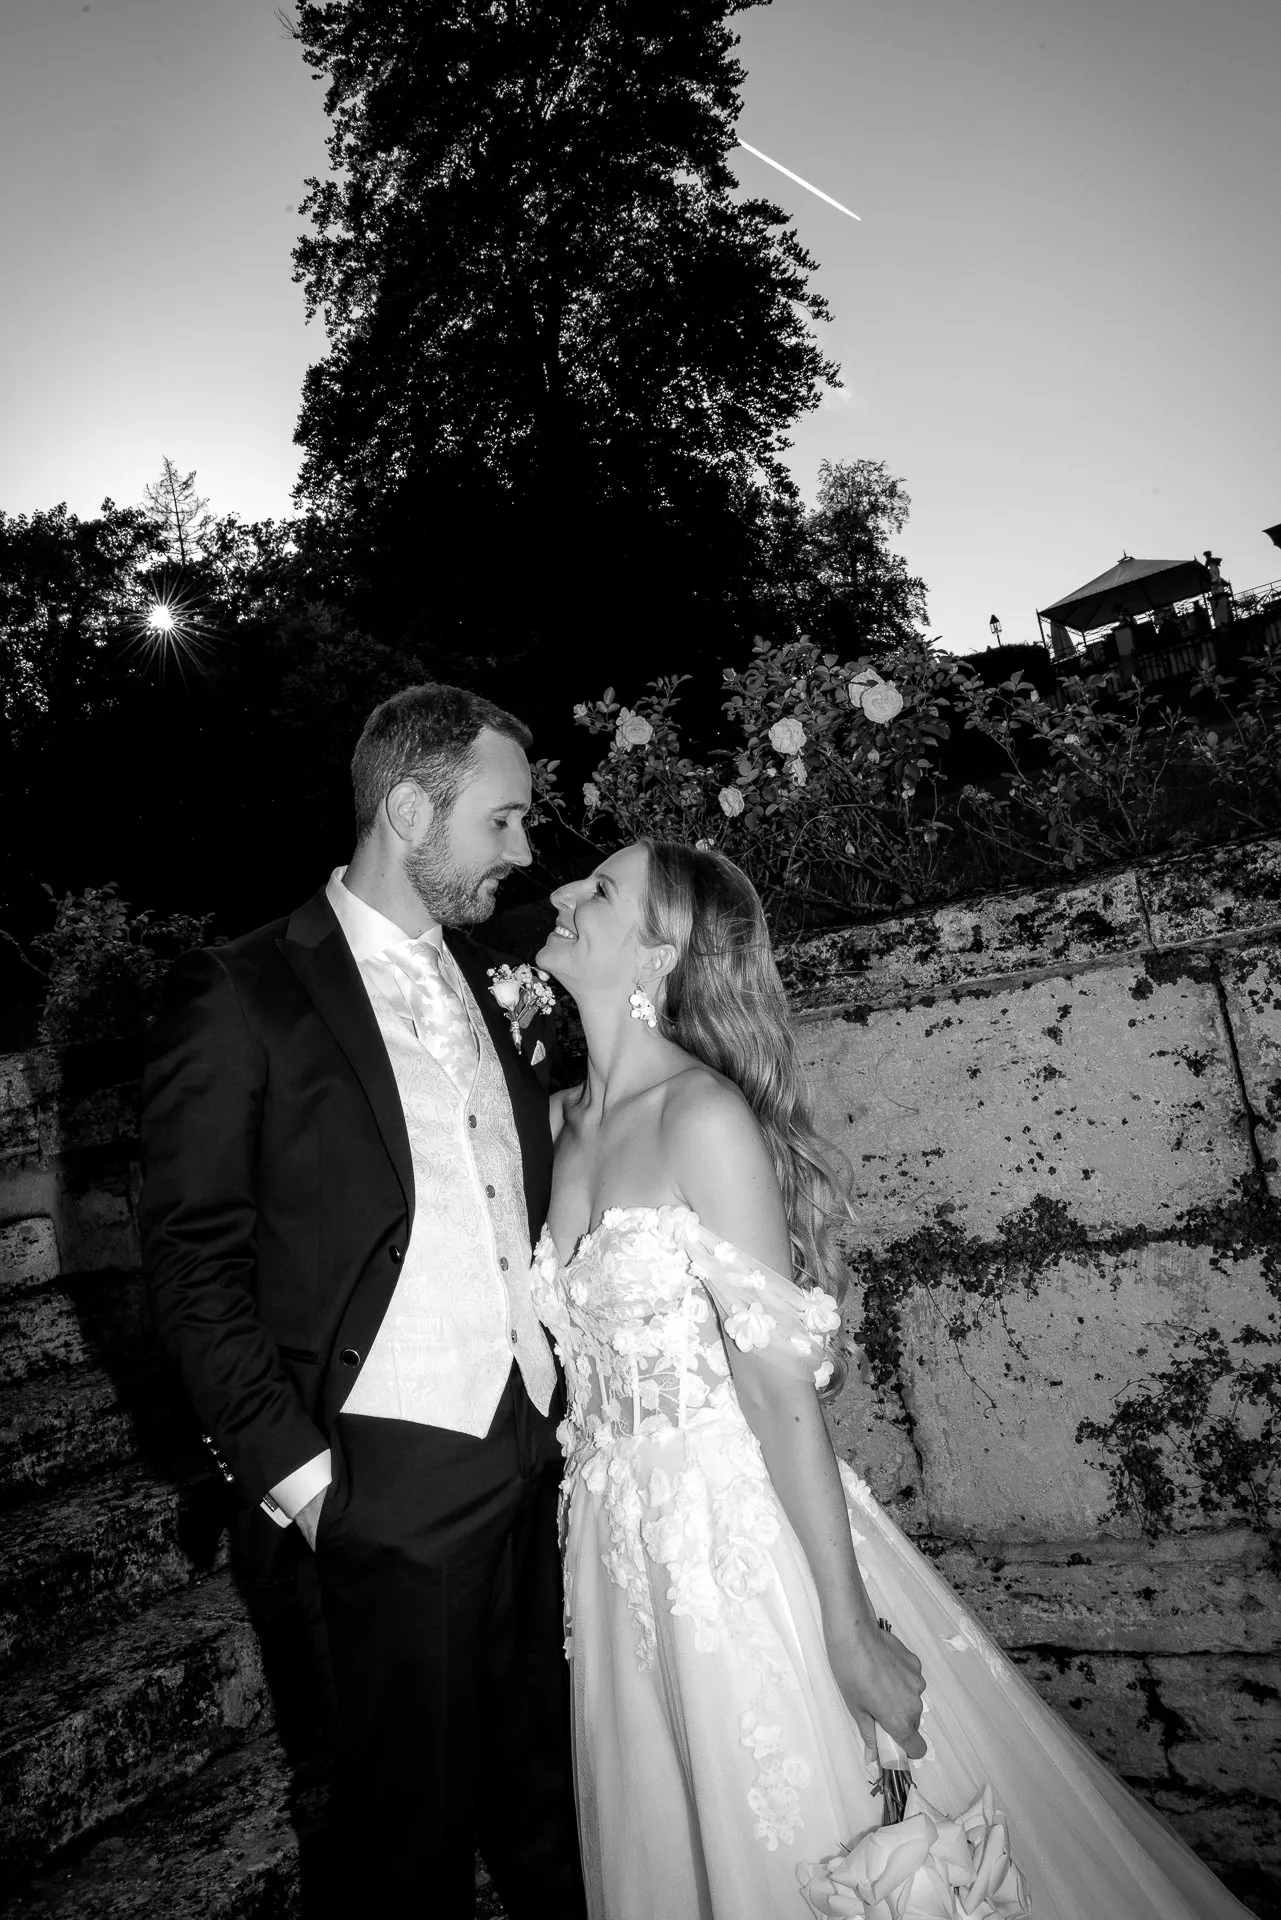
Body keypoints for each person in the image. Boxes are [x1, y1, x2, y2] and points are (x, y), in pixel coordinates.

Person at [530, 838, 1254, 1920]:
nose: (560, 892)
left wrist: (844, 1623)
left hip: (733, 1548)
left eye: (599, 891)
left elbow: (778, 1397)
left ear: (660, 954)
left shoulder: (702, 1119)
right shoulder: (552, 1122)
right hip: (604, 1544)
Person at [140, 683, 585, 1920]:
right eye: (502, 821)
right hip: (381, 1478)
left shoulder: (502, 971)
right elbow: (192, 1262)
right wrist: (305, 1482)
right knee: (408, 1850)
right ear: (406, 810)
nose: (526, 850)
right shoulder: (242, 991)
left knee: (555, 1809)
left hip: (534, 1446)